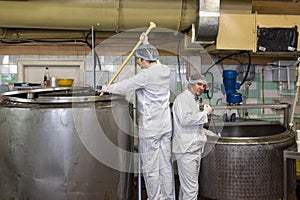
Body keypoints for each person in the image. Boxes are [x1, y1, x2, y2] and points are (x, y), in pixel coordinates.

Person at [101, 34, 174, 200]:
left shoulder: (145, 76)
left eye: (138, 59)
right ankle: (167, 197)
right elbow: (153, 58)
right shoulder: (164, 70)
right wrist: (146, 43)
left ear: (143, 60)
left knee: (151, 167)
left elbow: (125, 86)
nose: (137, 62)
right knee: (165, 165)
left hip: (151, 129)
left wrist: (107, 87)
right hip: (165, 127)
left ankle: (155, 198)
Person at [172, 74, 212, 200]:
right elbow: (185, 120)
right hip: (186, 150)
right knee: (191, 189)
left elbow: (196, 128)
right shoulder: (183, 99)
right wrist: (204, 114)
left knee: (187, 189)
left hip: (193, 149)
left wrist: (213, 136)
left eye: (204, 85)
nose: (202, 87)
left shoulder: (193, 100)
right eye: (199, 84)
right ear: (191, 84)